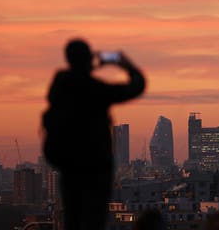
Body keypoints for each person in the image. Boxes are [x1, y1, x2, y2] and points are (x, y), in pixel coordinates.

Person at [44, 39, 145, 230]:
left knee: (72, 219)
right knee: (94, 221)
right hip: (95, 169)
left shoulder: (60, 87)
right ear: (88, 58)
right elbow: (137, 86)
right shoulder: (95, 89)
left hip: (69, 168)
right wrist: (124, 64)